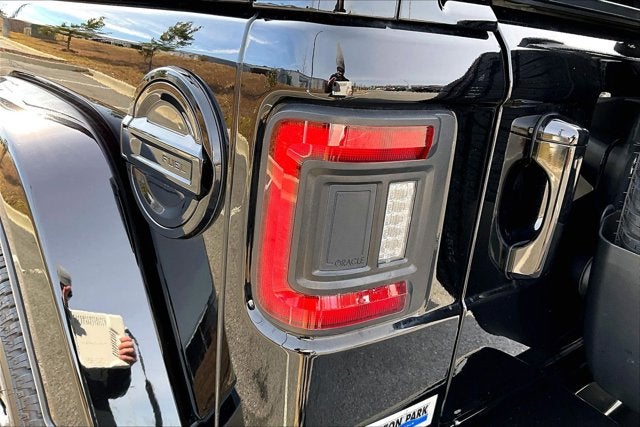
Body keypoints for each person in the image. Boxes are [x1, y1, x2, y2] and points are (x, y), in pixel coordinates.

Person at [58, 266, 137, 426]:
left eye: (66, 291)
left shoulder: (94, 332)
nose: (63, 294)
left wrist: (122, 365)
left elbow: (114, 390)